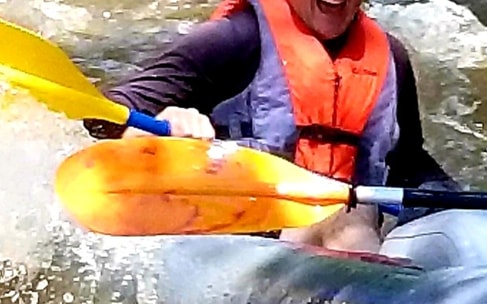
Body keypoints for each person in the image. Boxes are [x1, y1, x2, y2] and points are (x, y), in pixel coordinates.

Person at [84, 0, 456, 253]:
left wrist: (457, 205)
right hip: (242, 239)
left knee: (350, 212)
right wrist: (167, 121)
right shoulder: (233, 39)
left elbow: (406, 163)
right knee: (341, 215)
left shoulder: (391, 59)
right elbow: (104, 117)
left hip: (344, 239)